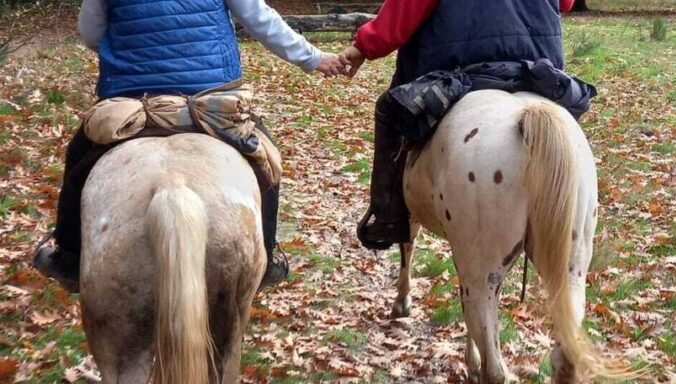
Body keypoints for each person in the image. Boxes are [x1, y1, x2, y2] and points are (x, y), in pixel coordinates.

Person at [33, 0, 345, 292]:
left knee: (79, 156)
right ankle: (265, 256)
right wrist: (314, 58)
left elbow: (91, 34)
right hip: (208, 99)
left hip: (132, 100)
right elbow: (259, 20)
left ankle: (69, 257)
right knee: (265, 158)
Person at [341, 0, 576, 250]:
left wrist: (364, 46)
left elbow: (406, 8)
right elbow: (566, 3)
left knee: (389, 108)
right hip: (534, 70)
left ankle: (388, 219)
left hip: (459, 68)